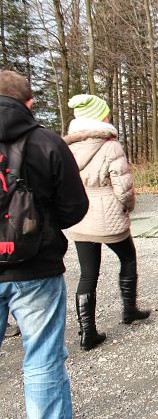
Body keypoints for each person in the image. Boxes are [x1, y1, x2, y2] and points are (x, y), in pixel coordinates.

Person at [0, 70, 89, 419]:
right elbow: (74, 208)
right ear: (30, 103)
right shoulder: (48, 142)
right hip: (36, 267)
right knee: (43, 359)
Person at [64, 94, 150, 351]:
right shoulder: (110, 145)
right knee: (128, 258)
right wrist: (129, 205)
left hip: (81, 215)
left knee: (88, 273)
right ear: (99, 116)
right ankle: (129, 309)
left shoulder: (67, 146)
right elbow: (122, 186)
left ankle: (86, 332)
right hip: (108, 213)